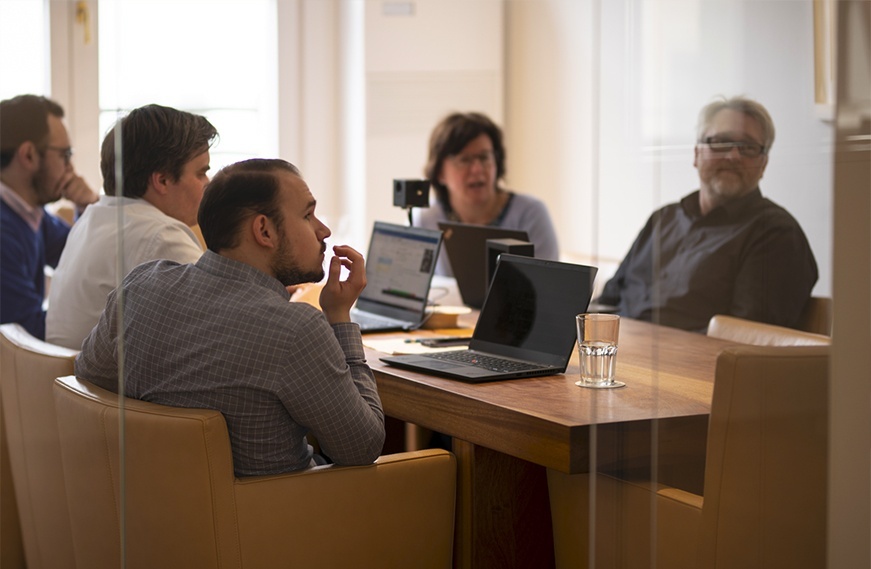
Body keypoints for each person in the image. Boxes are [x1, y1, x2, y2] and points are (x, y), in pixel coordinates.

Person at [75, 158, 385, 476]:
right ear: (264, 230)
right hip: (280, 517)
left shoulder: (139, 287)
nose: (324, 230)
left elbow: (88, 380)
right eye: (308, 215)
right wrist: (340, 317)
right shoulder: (296, 329)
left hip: (154, 511)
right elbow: (362, 448)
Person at [597, 96, 818, 332]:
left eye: (749, 147)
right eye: (721, 142)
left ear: (763, 164)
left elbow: (745, 343)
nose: (733, 156)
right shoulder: (663, 219)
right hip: (616, 359)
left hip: (686, 366)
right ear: (696, 154)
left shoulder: (776, 235)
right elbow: (607, 302)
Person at [46, 104, 217, 349]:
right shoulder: (161, 235)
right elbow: (222, 326)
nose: (207, 183)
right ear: (162, 180)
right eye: (201, 173)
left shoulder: (92, 218)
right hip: (101, 387)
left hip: (69, 383)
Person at [0, 94, 99, 340]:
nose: (71, 169)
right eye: (65, 155)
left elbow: (78, 259)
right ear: (29, 155)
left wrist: (88, 208)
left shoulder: (31, 214)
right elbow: (28, 332)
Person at [413, 112, 559, 276]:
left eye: (484, 157)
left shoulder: (530, 214)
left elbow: (547, 286)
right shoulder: (425, 218)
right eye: (464, 160)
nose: (477, 169)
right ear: (440, 172)